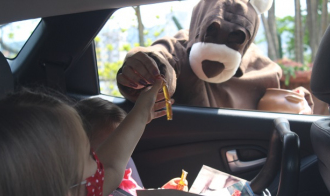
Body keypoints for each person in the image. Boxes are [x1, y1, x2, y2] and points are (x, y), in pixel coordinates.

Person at [0, 76, 169, 196]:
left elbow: (111, 166)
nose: (98, 159)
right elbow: (109, 167)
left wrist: (142, 112)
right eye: (89, 153)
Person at [116, 0, 314, 114]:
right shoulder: (178, 48)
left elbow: (283, 102)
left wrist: (298, 100)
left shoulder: (263, 68)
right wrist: (147, 68)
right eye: (211, 31)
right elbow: (160, 58)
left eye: (236, 37)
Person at [75, 96, 186, 196]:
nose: (120, 155)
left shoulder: (125, 180)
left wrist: (163, 193)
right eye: (110, 148)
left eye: (123, 146)